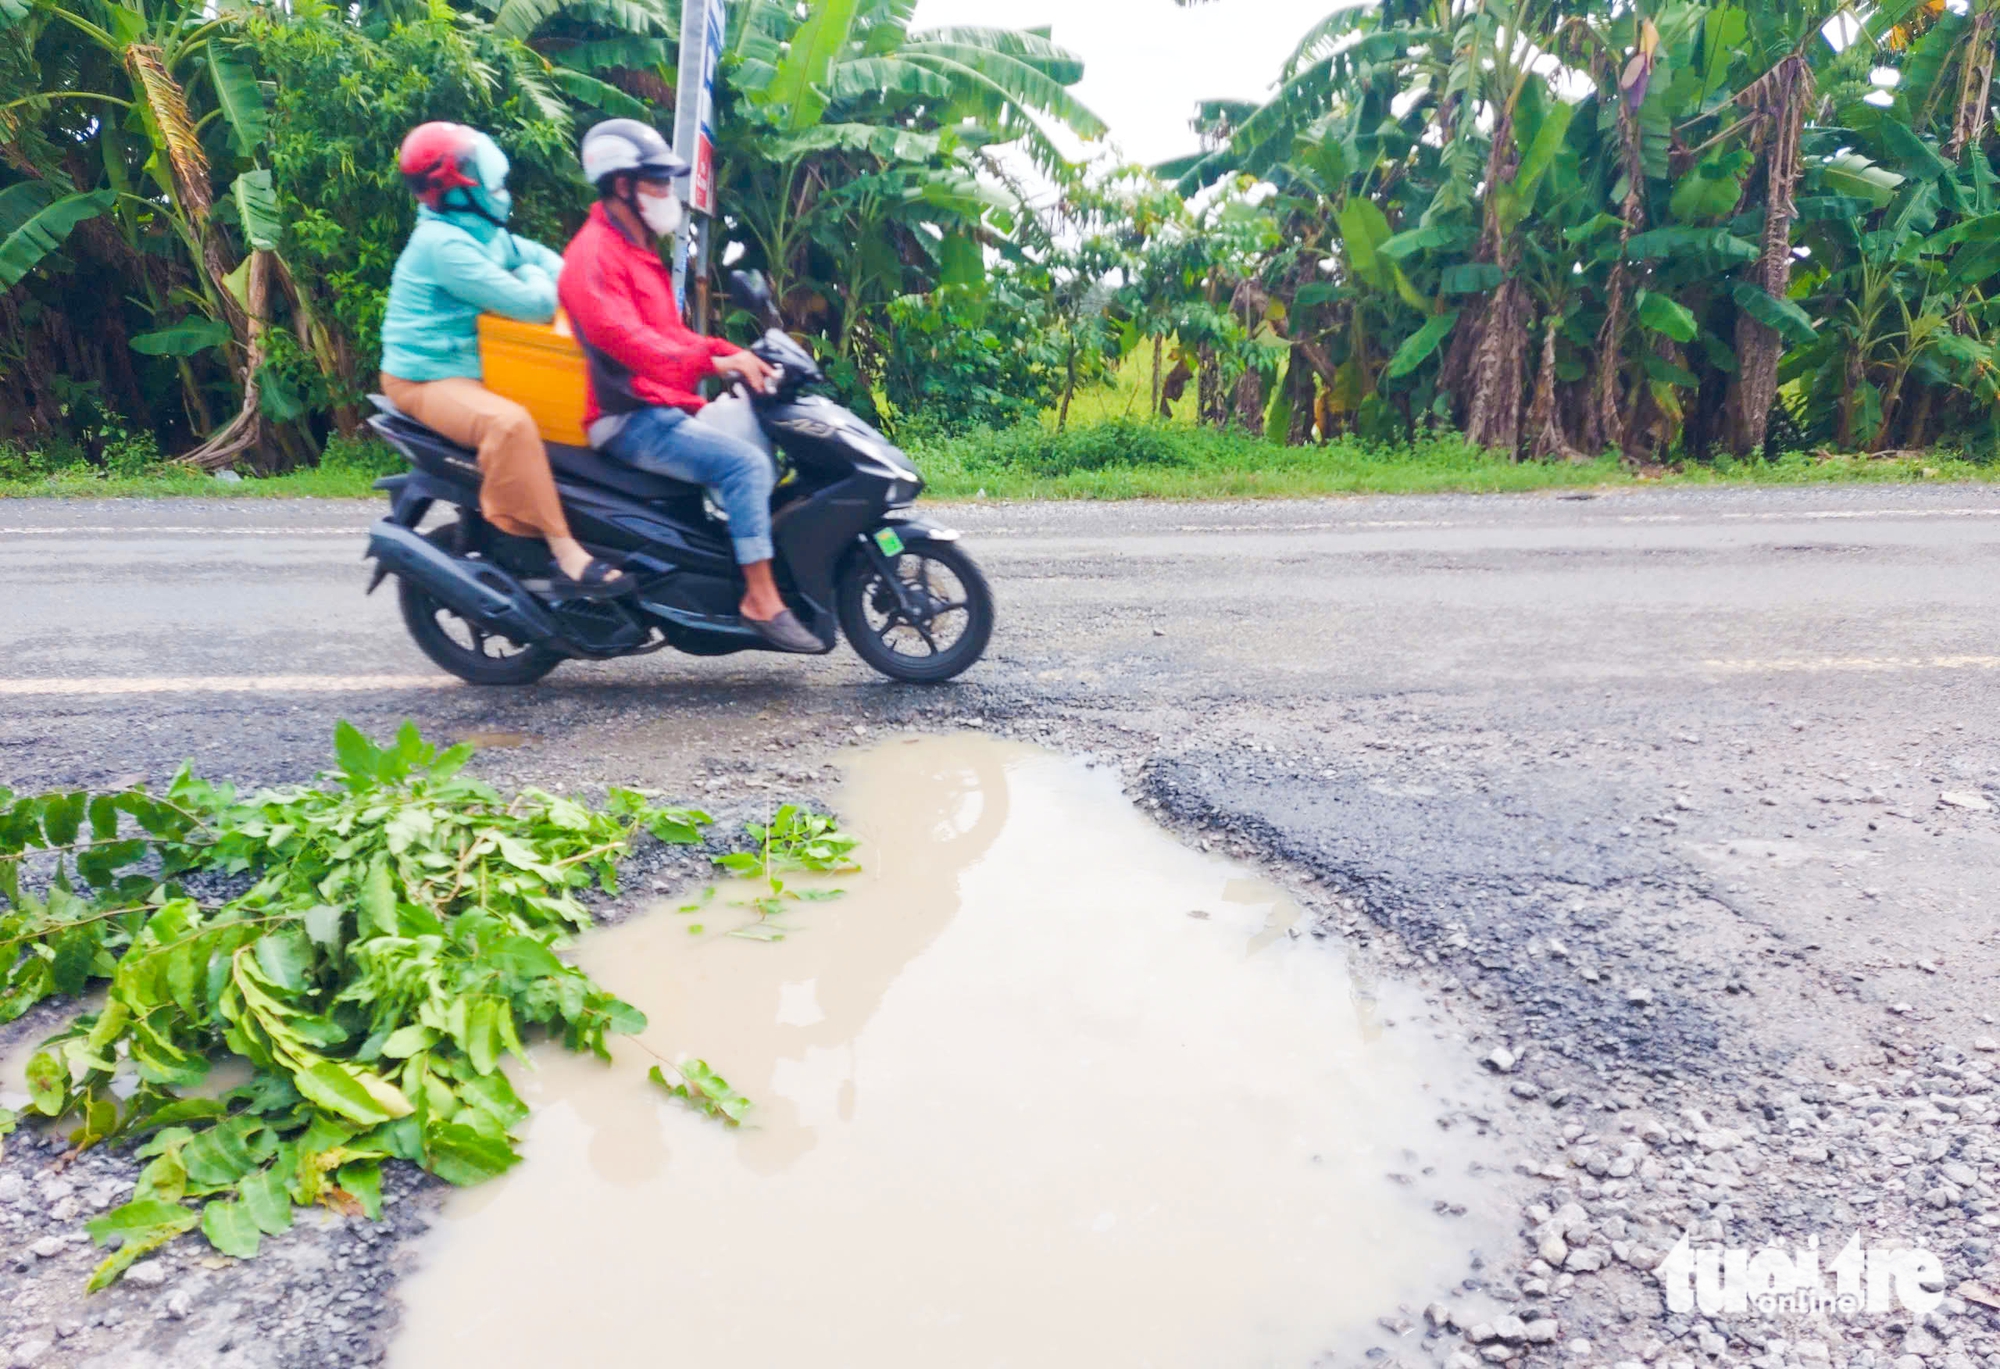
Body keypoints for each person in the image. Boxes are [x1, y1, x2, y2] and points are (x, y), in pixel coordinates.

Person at [559, 119, 821, 652]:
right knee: (742, 464)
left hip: (663, 405)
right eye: (656, 182)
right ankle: (760, 599)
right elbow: (631, 343)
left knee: (756, 436)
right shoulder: (592, 258)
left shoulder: (636, 250)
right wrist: (715, 362)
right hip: (629, 418)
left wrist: (738, 354)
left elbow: (671, 335)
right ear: (623, 186)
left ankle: (736, 566)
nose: (667, 193)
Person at [379, 122, 623, 594]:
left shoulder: (481, 231)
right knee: (509, 424)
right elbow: (531, 303)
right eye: (483, 178)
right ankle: (564, 551)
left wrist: (536, 271)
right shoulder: (443, 246)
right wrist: (536, 276)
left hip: (474, 367)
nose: (498, 189)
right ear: (453, 188)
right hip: (425, 379)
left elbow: (552, 263)